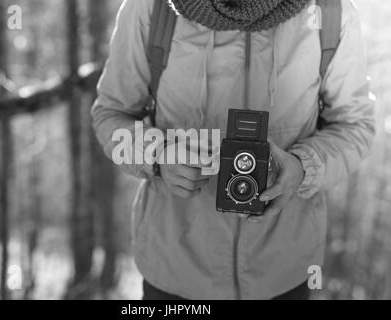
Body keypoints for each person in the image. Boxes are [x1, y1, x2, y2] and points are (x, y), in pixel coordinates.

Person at [91, 0, 375, 300]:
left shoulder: (330, 12)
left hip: (285, 272)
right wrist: (158, 156)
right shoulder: (151, 7)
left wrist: (303, 167)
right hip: (174, 274)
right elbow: (110, 114)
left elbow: (355, 125)